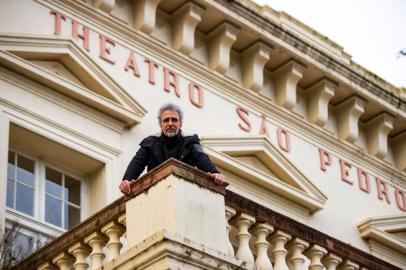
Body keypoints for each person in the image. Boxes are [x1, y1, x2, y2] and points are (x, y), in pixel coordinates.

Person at [119, 103, 226, 194]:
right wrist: (127, 180)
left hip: (184, 192)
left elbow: (201, 157)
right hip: (156, 193)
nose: (170, 123)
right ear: (161, 124)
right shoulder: (150, 142)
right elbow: (137, 162)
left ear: (180, 124)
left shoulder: (190, 141)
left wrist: (214, 172)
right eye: (166, 120)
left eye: (174, 120)